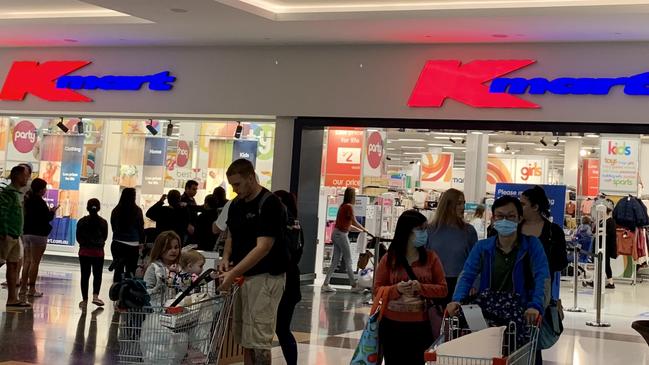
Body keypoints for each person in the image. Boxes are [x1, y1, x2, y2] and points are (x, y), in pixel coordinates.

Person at [447, 196, 550, 365]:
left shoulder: (532, 246)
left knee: (524, 358)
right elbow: (467, 275)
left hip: (522, 316)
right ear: (493, 219)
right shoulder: (483, 248)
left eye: (510, 216)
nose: (505, 220)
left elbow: (542, 277)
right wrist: (457, 300)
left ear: (519, 218)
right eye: (500, 216)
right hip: (489, 318)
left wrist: (535, 306)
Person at [217, 159, 289, 365]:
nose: (234, 189)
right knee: (244, 337)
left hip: (265, 277)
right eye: (232, 185)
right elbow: (231, 233)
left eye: (238, 184)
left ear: (251, 177)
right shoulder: (236, 205)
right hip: (243, 278)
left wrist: (231, 274)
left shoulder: (270, 204)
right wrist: (226, 258)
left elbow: (263, 247)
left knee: (259, 339)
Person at [375, 210, 448, 365]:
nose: (424, 233)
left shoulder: (431, 258)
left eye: (425, 229)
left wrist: (421, 287)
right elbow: (376, 291)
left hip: (421, 326)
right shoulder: (389, 259)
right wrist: (396, 289)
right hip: (392, 326)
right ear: (407, 231)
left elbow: (443, 289)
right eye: (420, 229)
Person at [426, 188, 478, 306]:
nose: (463, 207)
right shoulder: (430, 230)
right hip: (435, 284)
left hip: (460, 285)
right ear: (448, 205)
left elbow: (476, 262)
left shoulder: (468, 231)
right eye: (459, 203)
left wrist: (474, 284)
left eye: (463, 203)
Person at [274, 190, 303, 365]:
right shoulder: (297, 224)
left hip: (284, 280)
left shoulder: (284, 223)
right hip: (292, 280)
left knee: (281, 329)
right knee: (283, 328)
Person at [520, 186, 568, 291]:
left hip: (541, 288)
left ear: (535, 207)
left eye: (523, 204)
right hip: (512, 289)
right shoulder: (514, 228)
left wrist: (542, 266)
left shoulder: (554, 231)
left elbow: (561, 262)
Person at [322, 187, 369, 293]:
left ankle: (326, 283)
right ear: (352, 196)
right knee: (348, 260)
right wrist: (364, 229)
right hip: (341, 235)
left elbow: (349, 225)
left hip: (336, 234)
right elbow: (354, 222)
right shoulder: (349, 207)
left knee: (336, 261)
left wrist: (361, 231)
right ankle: (353, 285)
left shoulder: (343, 206)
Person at [20, 178, 57, 298]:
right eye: (45, 188)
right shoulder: (40, 203)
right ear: (41, 189)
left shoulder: (28, 200)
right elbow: (46, 218)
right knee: (35, 262)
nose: (46, 190)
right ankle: (32, 289)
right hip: (38, 235)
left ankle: (23, 288)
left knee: (27, 261)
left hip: (26, 233)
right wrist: (52, 212)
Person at [0, 165, 31, 308]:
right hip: (6, 236)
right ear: (17, 176)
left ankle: (12, 298)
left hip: (15, 235)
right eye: (25, 175)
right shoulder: (8, 193)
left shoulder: (19, 194)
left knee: (13, 265)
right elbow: (2, 214)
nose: (27, 178)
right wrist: (3, 232)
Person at [76, 198, 108, 308]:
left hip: (84, 252)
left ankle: (84, 300)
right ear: (98, 208)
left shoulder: (81, 221)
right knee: (97, 275)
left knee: (85, 276)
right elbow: (105, 237)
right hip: (98, 253)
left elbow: (78, 237)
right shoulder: (103, 222)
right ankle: (95, 296)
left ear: (87, 208)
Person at [110, 188, 145, 283]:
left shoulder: (116, 210)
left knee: (118, 269)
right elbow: (140, 228)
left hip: (118, 243)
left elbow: (113, 227)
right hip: (133, 245)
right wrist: (141, 242)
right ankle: (128, 292)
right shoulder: (137, 211)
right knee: (131, 270)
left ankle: (116, 291)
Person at [144, 231, 182, 306]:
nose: (173, 251)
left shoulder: (180, 267)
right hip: (156, 311)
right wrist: (160, 285)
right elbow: (146, 292)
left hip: (176, 309)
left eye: (176, 247)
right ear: (159, 249)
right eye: (169, 248)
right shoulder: (153, 268)